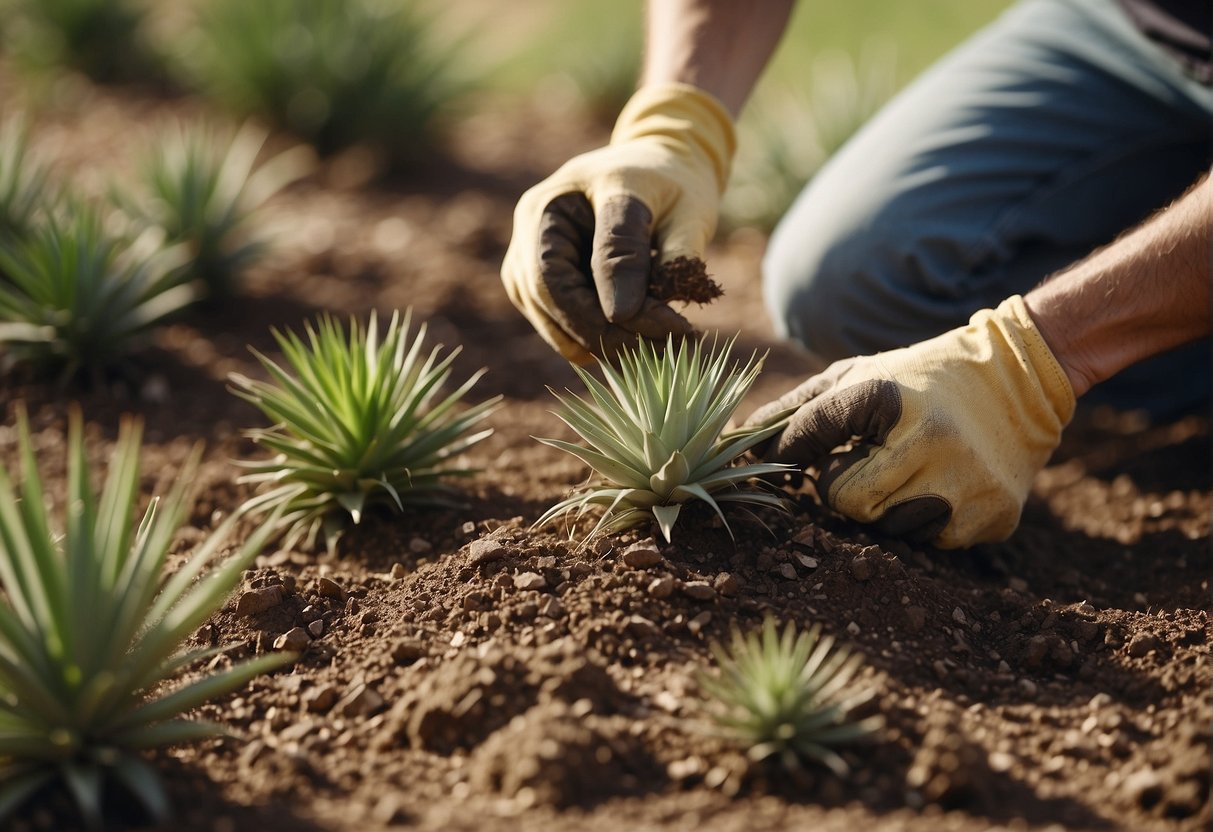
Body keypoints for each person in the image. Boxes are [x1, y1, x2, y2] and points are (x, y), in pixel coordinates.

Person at [500, 0, 1212, 549]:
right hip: (1143, 26)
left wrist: (1042, 357)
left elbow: (1035, 356)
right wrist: (672, 126)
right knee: (849, 281)